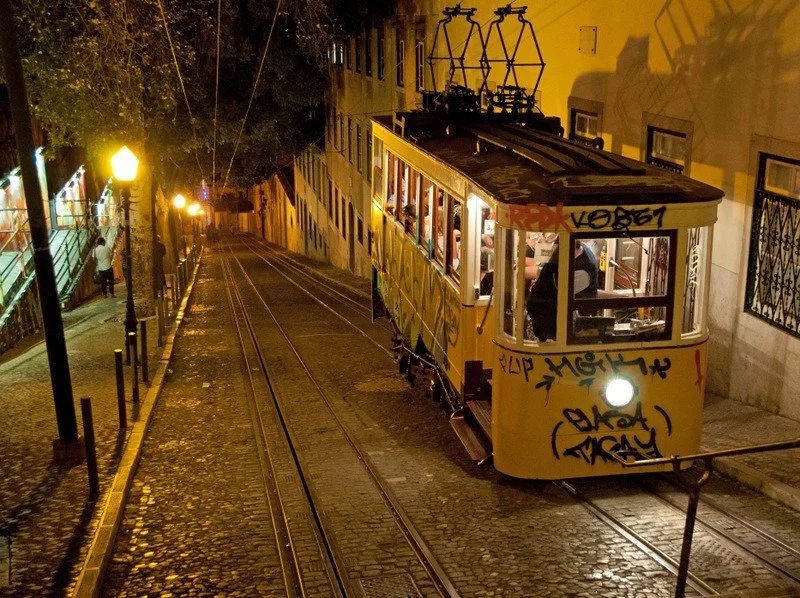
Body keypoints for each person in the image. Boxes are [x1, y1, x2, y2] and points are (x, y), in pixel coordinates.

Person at [526, 239, 599, 341]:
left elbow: (551, 291)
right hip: (552, 317)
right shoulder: (576, 250)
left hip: (569, 329)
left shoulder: (583, 272)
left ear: (569, 249)